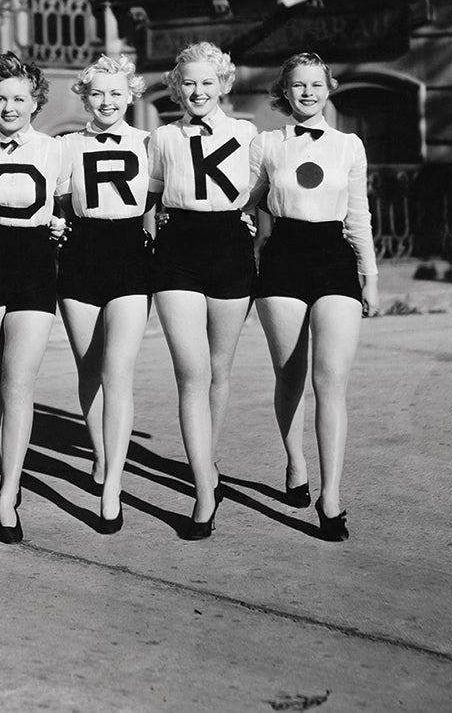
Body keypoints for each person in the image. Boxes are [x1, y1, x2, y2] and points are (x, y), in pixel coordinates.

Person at [249, 52, 380, 542]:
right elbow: (244, 200)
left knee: (331, 383)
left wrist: (370, 275)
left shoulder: (349, 145)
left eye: (316, 84)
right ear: (284, 92)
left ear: (329, 88)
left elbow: (359, 214)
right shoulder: (266, 144)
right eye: (298, 85)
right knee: (290, 376)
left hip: (334, 260)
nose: (307, 92)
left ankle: (331, 497)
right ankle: (295, 462)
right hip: (282, 259)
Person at [0, 52, 69, 544]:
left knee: (19, 381)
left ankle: (6, 493)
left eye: (19, 99)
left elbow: (69, 208)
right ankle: (10, 468)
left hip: (35, 264)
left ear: (35, 102)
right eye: (1, 98)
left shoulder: (56, 150)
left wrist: (63, 227)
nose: (9, 107)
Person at [147, 42, 258, 540]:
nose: (197, 91)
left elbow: (264, 190)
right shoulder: (163, 136)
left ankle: (207, 462)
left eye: (207, 82)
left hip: (230, 248)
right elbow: (148, 199)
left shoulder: (247, 134)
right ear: (176, 87)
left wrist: (251, 221)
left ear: (224, 84)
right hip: (178, 252)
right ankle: (203, 494)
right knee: (191, 373)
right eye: (188, 82)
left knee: (218, 369)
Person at [55, 54, 152, 534]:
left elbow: (168, 195)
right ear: (84, 97)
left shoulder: (150, 142)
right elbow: (52, 199)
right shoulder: (66, 145)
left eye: (116, 92)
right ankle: (100, 453)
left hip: (130, 253)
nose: (107, 101)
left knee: (118, 372)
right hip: (81, 253)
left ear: (131, 95)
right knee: (89, 368)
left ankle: (113, 485)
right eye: (97, 93)